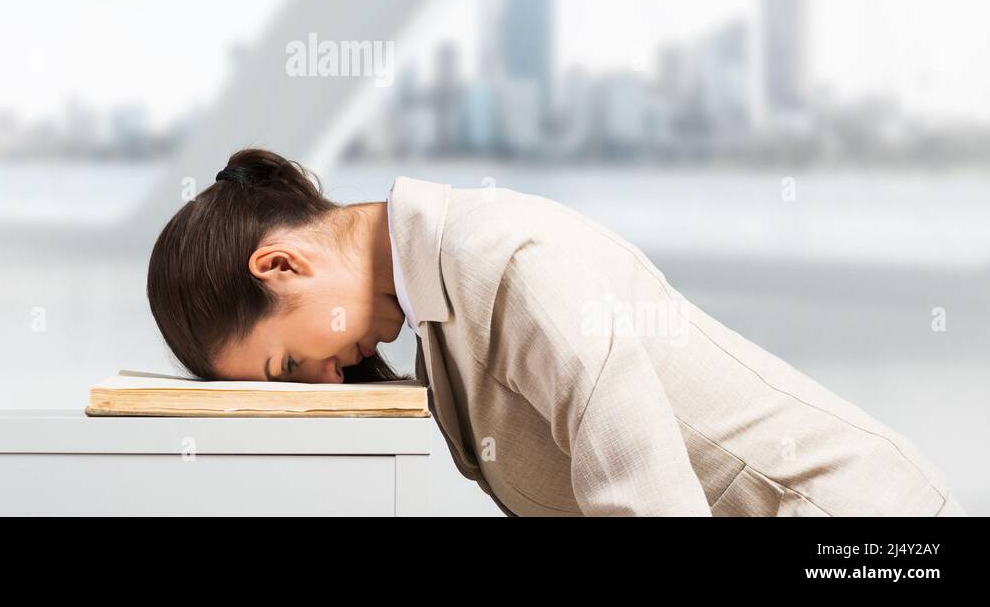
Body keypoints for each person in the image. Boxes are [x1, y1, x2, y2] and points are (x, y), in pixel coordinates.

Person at [146, 147, 967, 517]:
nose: (322, 384)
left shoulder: (508, 261)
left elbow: (650, 503)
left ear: (281, 268)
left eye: (290, 365)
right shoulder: (441, 305)